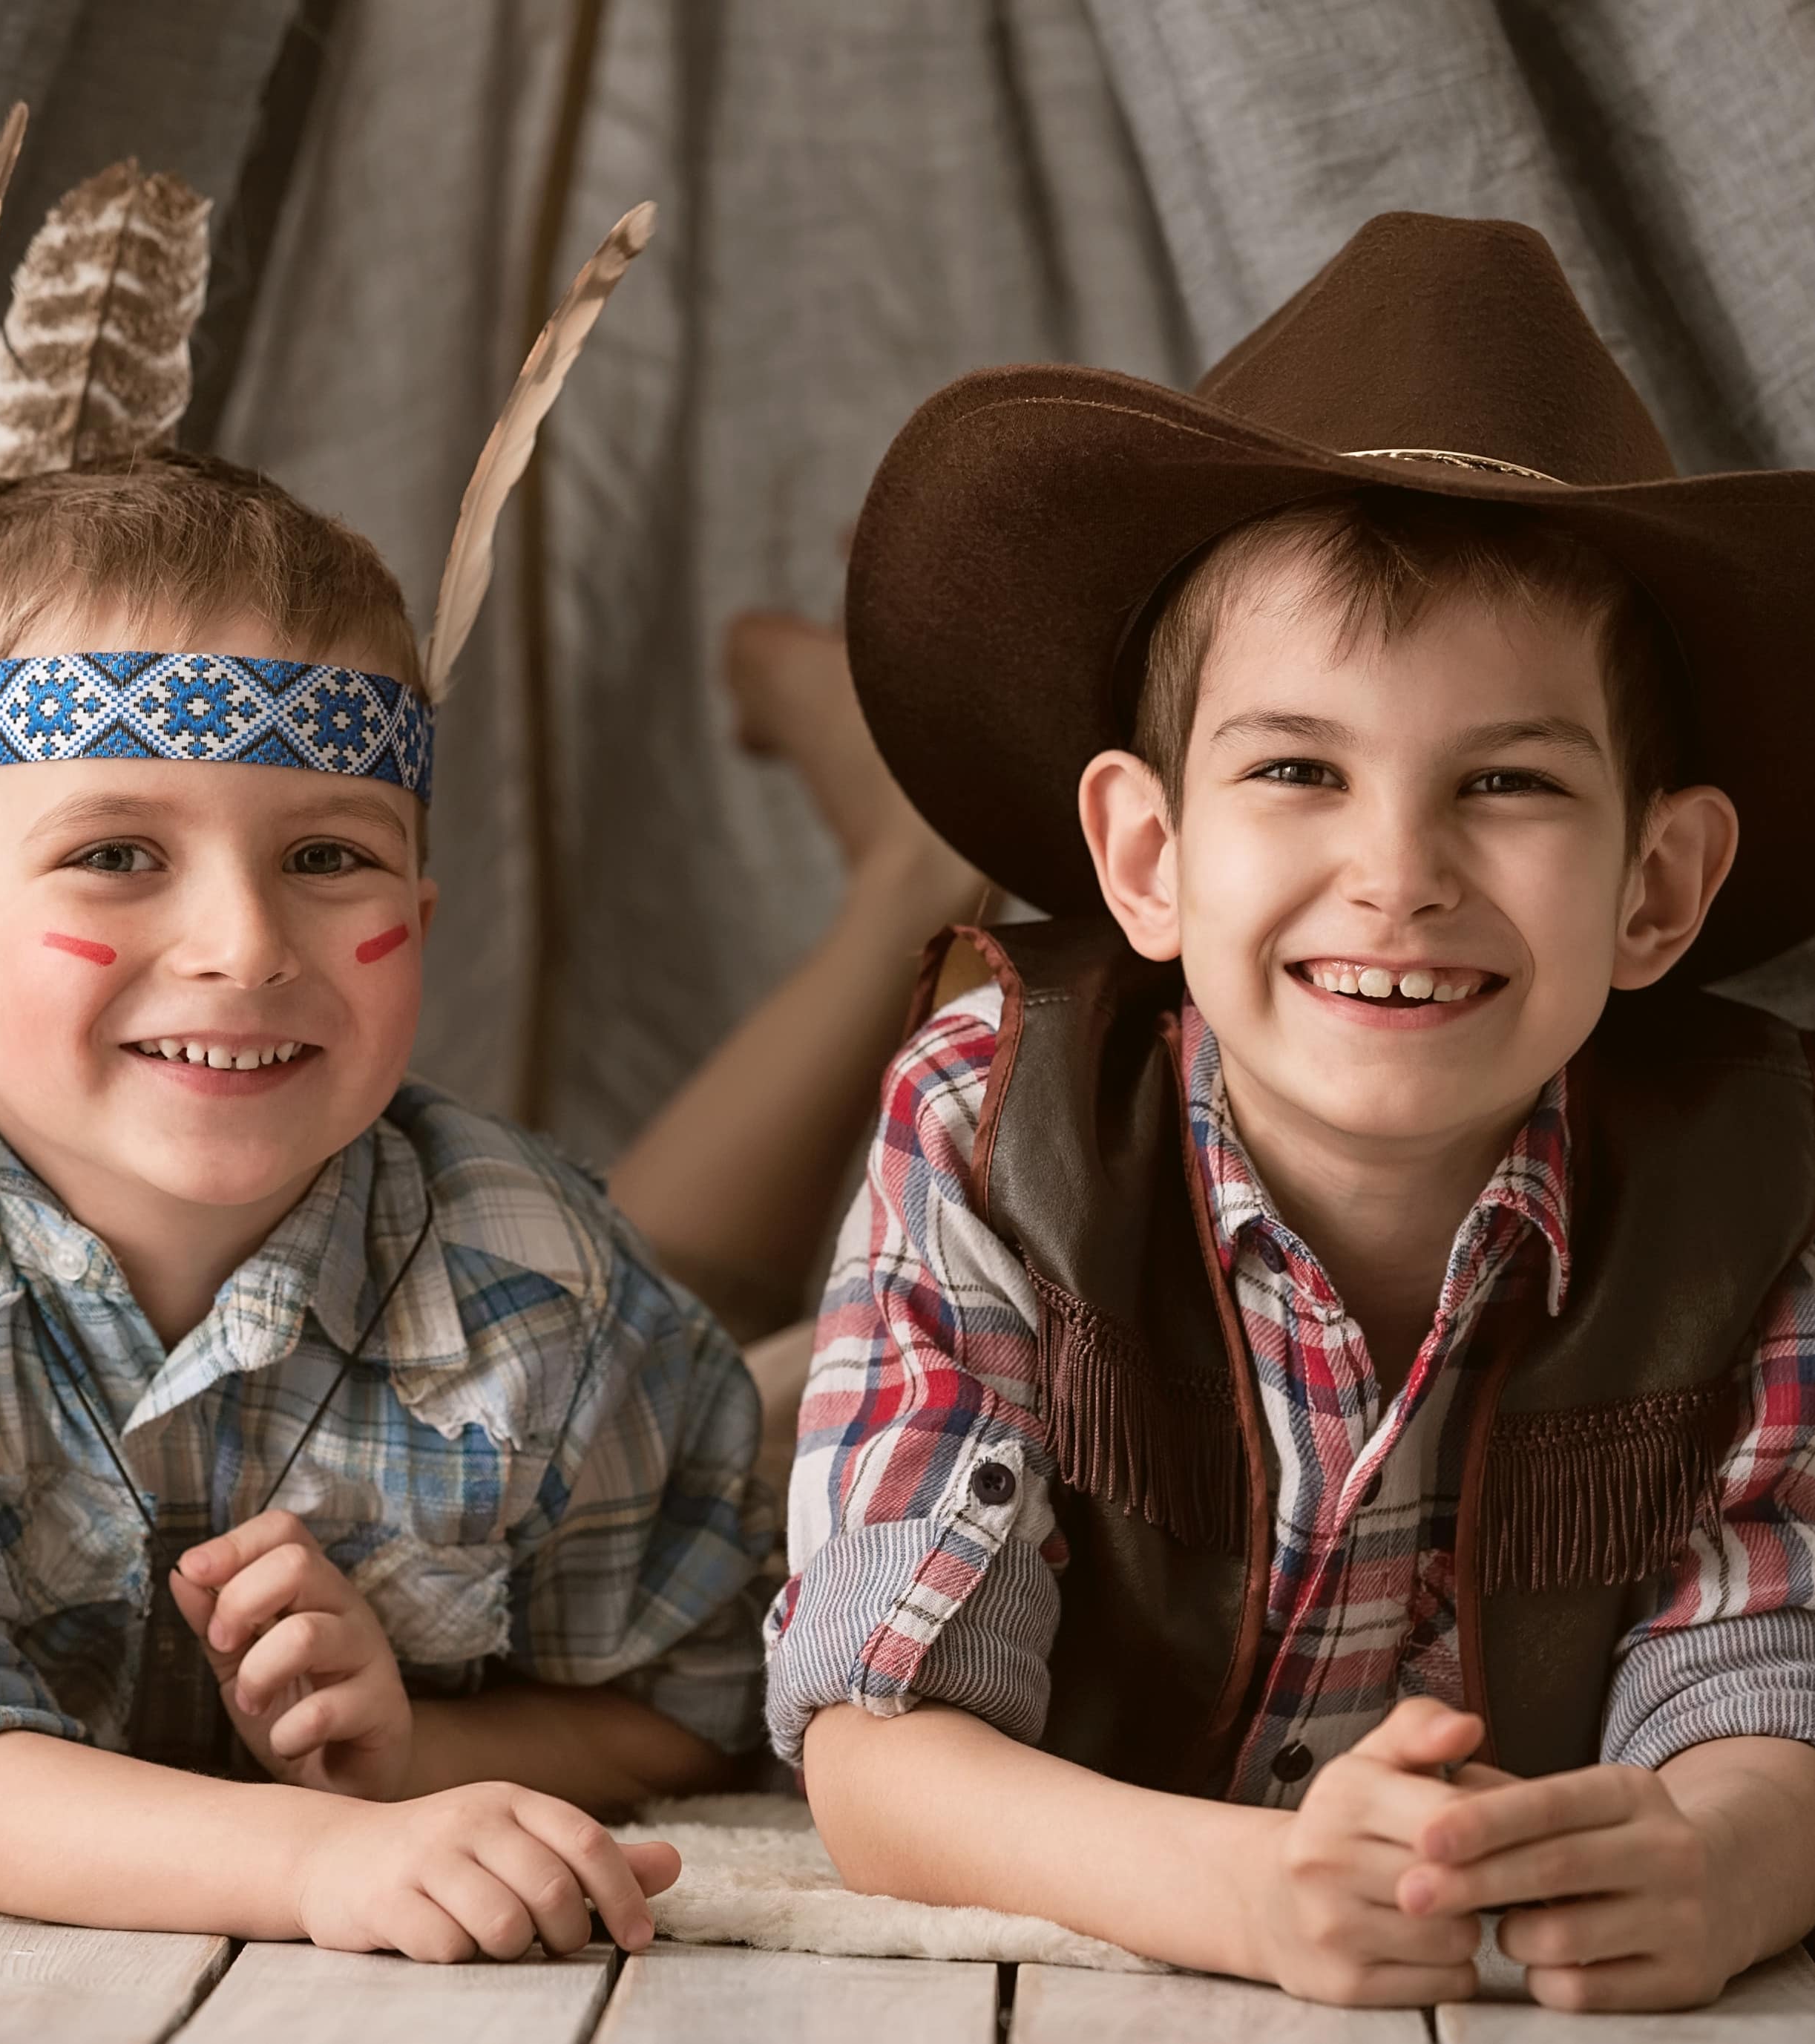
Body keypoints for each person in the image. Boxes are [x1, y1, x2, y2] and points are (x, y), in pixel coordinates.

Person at [764, 212, 1815, 2011]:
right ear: (1150, 857)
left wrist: (1721, 1854)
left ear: (1658, 886)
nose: (1394, 874)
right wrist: (1250, 1889)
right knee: (713, 1395)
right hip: (1031, 1752)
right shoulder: (992, 1117)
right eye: (1298, 770)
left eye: (1504, 781)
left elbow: (1766, 1664)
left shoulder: (1765, 1178)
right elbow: (878, 1752)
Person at [0, 453, 773, 1957]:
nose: (243, 944)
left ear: (419, 919)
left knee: (769, 1355)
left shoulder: (542, 1281)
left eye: (326, 856)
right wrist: (315, 1860)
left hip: (659, 1358)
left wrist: (413, 1762)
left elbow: (697, 1707)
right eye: (116, 855)